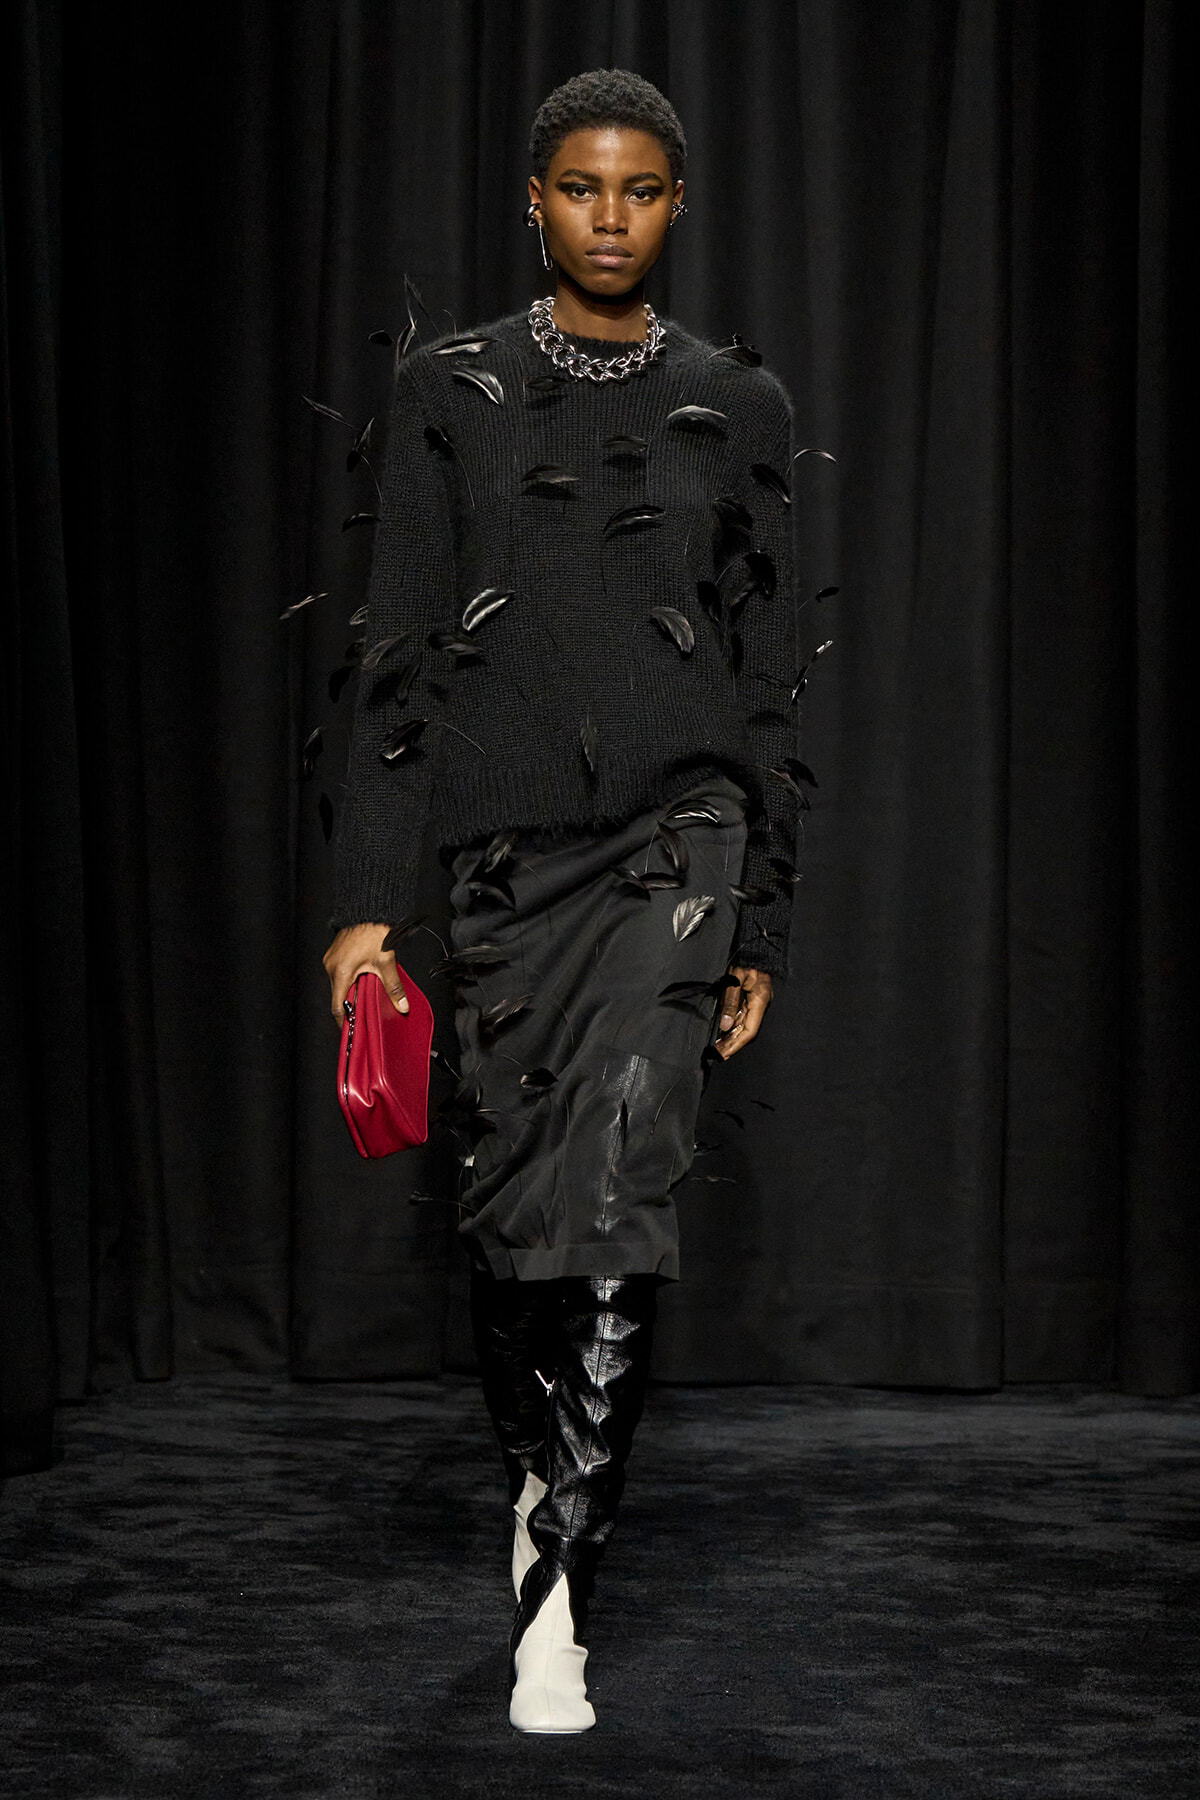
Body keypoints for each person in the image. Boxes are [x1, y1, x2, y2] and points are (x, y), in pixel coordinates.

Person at [323, 68, 801, 1735]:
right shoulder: (450, 385)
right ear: (535, 199)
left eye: (643, 191)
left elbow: (760, 675)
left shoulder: (737, 403)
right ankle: (544, 1487)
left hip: (681, 843)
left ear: (678, 205)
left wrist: (762, 916)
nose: (612, 217)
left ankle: (558, 1606)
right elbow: (395, 648)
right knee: (521, 1218)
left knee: (619, 1204)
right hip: (504, 856)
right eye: (582, 189)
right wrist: (368, 905)